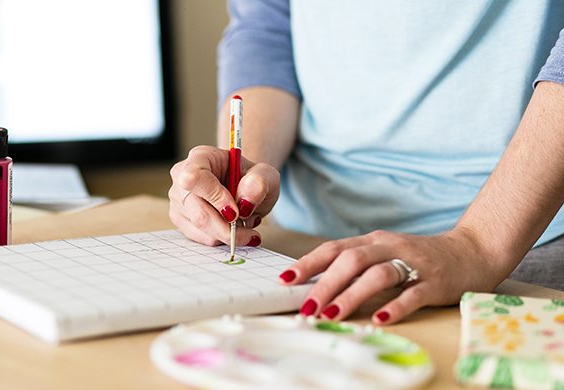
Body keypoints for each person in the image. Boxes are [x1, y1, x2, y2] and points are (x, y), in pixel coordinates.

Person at [168, 0, 564, 325]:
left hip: (520, 239)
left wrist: (477, 247)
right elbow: (267, 27)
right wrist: (246, 176)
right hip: (298, 245)